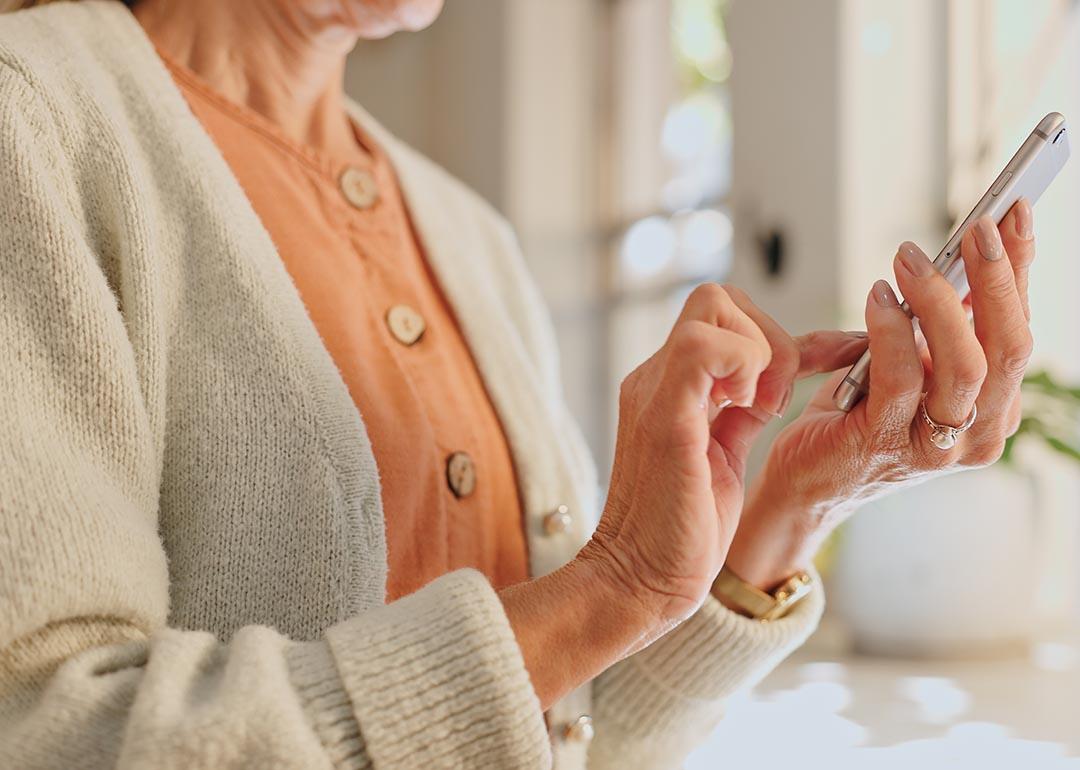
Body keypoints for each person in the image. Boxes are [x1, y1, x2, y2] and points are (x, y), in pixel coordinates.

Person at [0, 0, 1037, 768]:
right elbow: (47, 733)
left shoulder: (467, 233)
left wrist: (792, 505)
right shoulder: (33, 118)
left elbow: (573, 735)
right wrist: (613, 580)